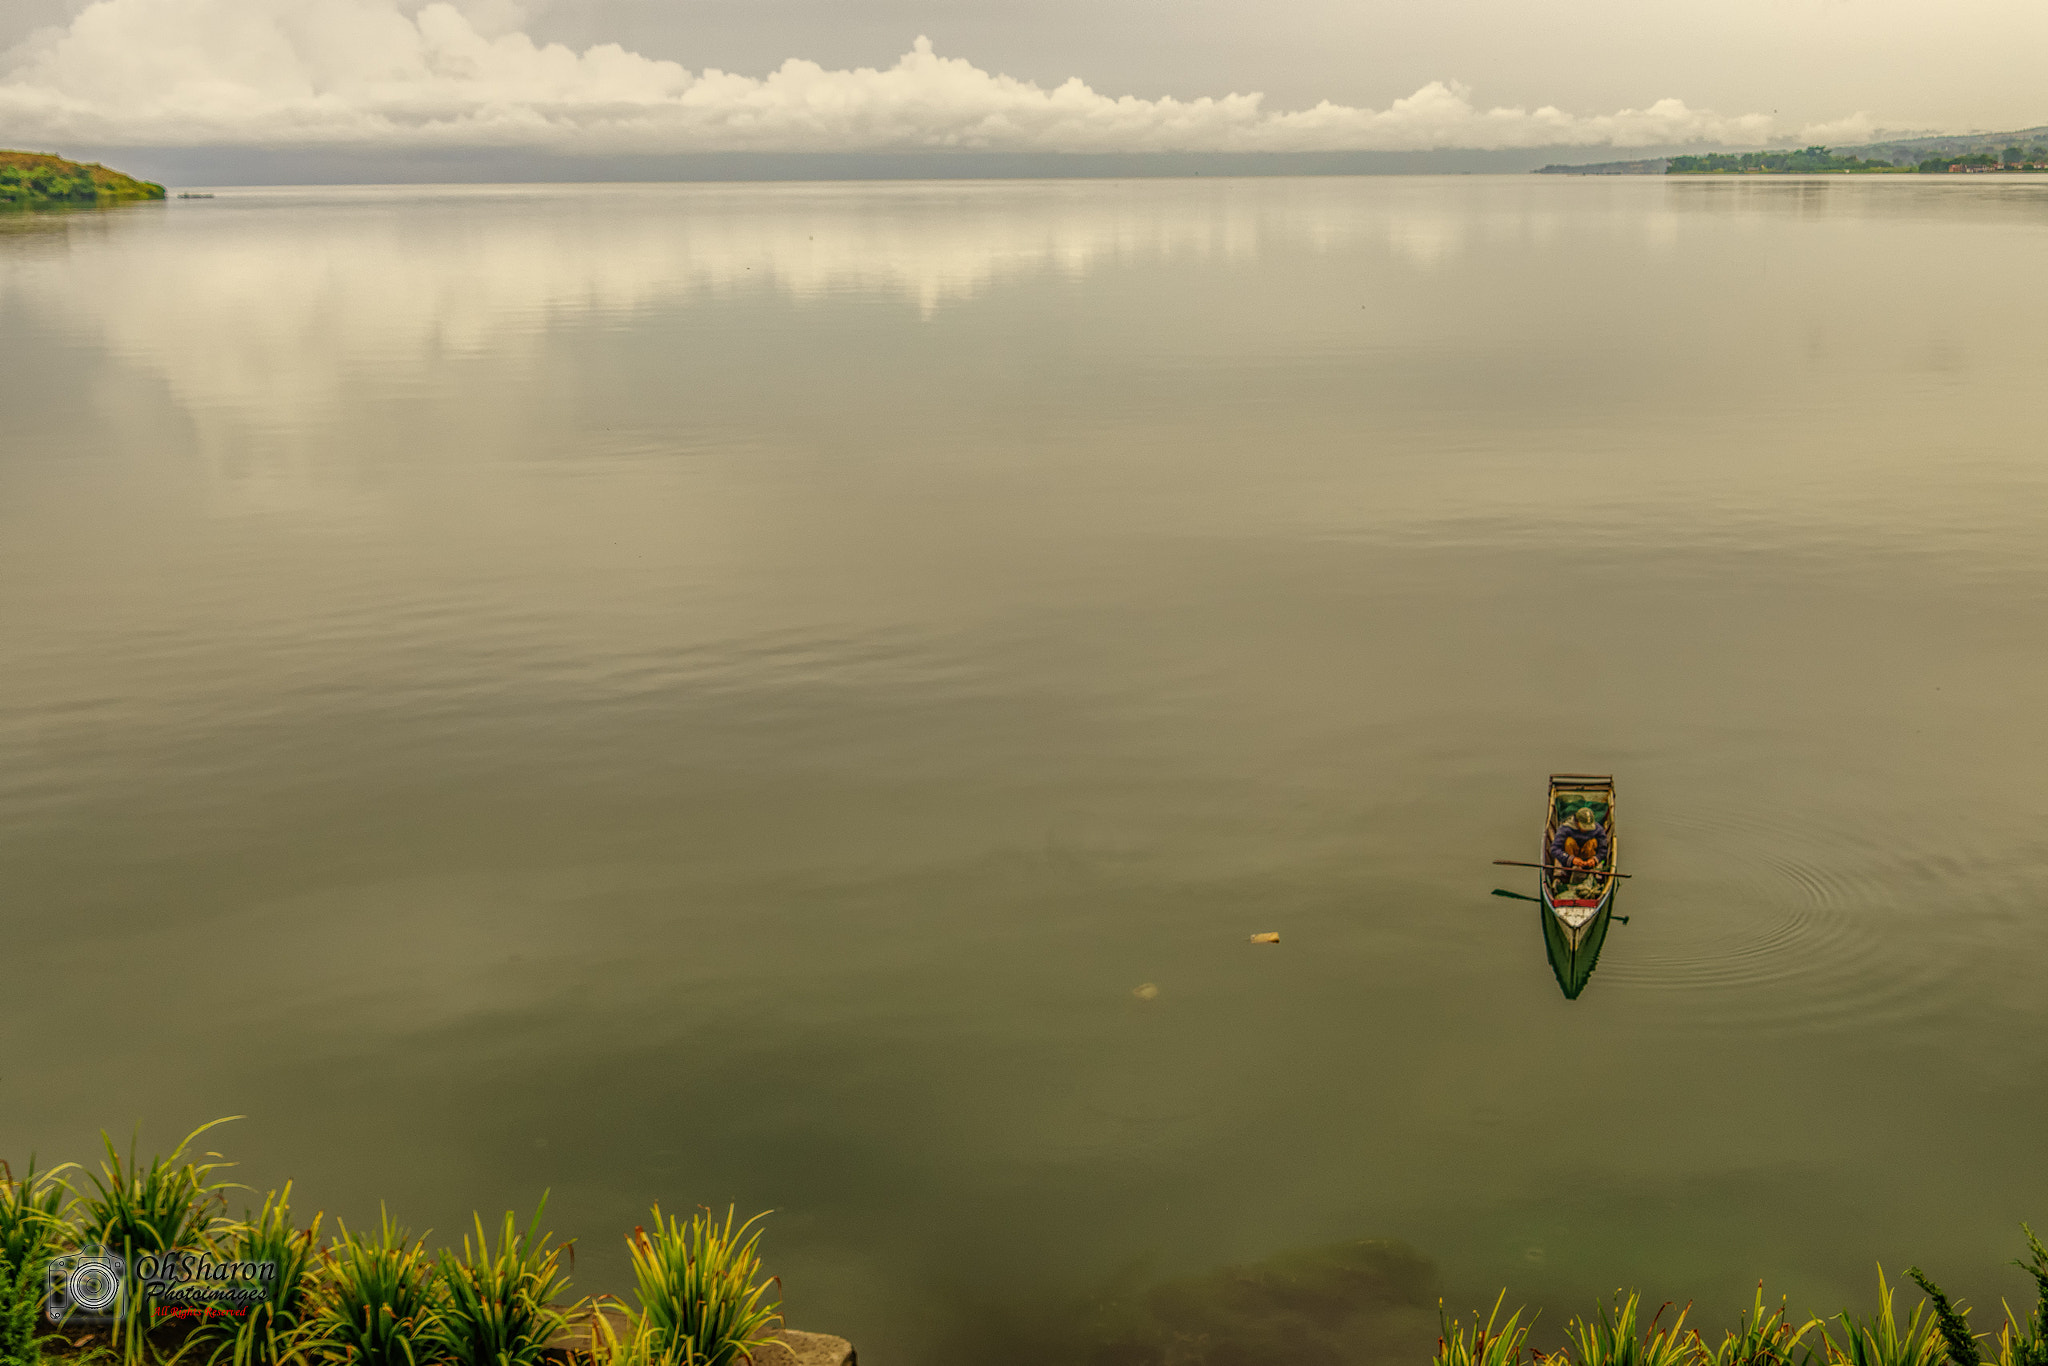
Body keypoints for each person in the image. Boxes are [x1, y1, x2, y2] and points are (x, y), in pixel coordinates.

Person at [1551, 805, 1607, 874]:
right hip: (1571, 861)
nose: (1586, 830)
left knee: (1593, 841)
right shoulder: (1565, 828)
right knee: (1569, 841)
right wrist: (1571, 859)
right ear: (1577, 822)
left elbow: (1603, 849)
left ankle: (1590, 870)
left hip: (1588, 859)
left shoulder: (1598, 829)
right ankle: (1570, 871)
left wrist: (1595, 859)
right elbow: (1555, 849)